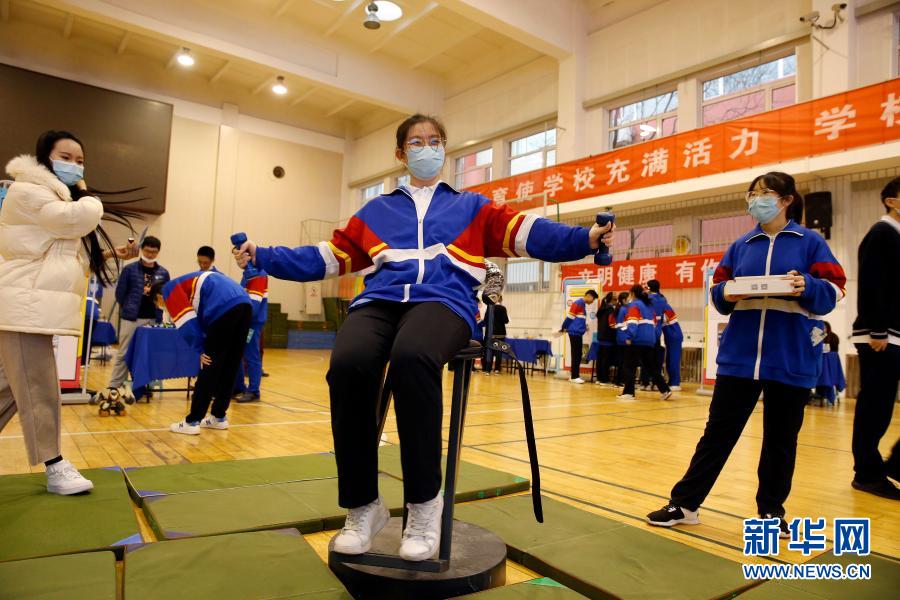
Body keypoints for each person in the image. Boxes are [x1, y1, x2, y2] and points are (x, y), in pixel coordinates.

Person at [233, 113, 614, 562]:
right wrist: (264, 256)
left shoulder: (472, 207)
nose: (427, 148)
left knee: (413, 356)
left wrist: (584, 238)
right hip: (380, 300)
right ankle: (363, 506)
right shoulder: (376, 211)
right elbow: (324, 259)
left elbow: (530, 233)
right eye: (417, 142)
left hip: (444, 301)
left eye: (435, 140)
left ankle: (424, 506)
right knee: (349, 363)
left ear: (444, 149)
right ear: (401, 154)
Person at [647, 171, 846, 535]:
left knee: (780, 439)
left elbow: (836, 289)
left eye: (765, 193)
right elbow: (719, 292)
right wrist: (727, 295)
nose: (757, 200)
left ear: (786, 200)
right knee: (717, 433)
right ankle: (686, 503)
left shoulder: (810, 242)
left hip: (791, 357)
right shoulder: (741, 246)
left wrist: (809, 285)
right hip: (739, 357)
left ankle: (771, 512)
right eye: (752, 193)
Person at [0, 130, 133, 495]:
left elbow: (62, 253)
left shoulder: (49, 196)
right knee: (40, 385)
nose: (75, 166)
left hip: (25, 304)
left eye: (80, 161)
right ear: (45, 158)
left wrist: (109, 255)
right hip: (24, 305)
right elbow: (75, 219)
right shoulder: (29, 190)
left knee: (10, 388)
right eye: (66, 157)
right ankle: (55, 465)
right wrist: (89, 195)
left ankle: (54, 462)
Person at [149, 272, 251, 434]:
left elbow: (187, 321)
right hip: (245, 304)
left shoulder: (169, 289)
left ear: (159, 295)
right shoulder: (186, 284)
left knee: (208, 364)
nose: (160, 307)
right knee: (231, 364)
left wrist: (201, 348)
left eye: (157, 303)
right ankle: (218, 416)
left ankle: (192, 420)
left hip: (224, 308)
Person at [850, 177, 900, 500]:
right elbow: (872, 284)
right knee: (876, 407)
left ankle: (896, 464)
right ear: (891, 201)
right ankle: (867, 473)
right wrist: (878, 330)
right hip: (880, 336)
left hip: (894, 335)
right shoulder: (881, 233)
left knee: (880, 406)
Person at [96, 235, 170, 402]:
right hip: (131, 318)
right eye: (148, 251)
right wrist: (128, 307)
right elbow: (120, 294)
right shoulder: (129, 270)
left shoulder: (163, 273)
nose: (150, 254)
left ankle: (141, 387)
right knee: (123, 353)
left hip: (153, 319)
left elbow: (165, 296)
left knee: (146, 354)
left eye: (154, 252)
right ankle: (114, 386)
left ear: (158, 252)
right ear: (142, 250)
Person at [616, 285, 672, 401]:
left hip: (637, 340)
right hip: (649, 341)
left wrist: (629, 336)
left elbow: (632, 323)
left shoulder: (634, 305)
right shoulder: (650, 307)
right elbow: (656, 324)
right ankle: (665, 390)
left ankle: (628, 393)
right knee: (651, 368)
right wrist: (653, 338)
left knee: (629, 366)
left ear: (632, 294)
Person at [234, 268, 269, 403]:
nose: (238, 260)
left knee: (251, 355)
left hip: (251, 324)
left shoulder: (259, 274)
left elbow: (253, 305)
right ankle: (239, 387)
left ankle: (254, 391)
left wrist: (240, 319)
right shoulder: (248, 274)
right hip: (244, 322)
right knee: (238, 354)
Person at [647, 280, 684, 391]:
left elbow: (657, 322)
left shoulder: (656, 301)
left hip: (673, 332)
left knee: (673, 359)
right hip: (669, 333)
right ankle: (672, 381)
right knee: (669, 359)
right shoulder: (660, 299)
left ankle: (675, 383)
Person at [560, 290, 598, 384]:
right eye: (593, 299)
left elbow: (577, 319)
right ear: (588, 296)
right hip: (574, 333)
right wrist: (564, 327)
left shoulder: (582, 305)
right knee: (576, 354)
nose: (592, 302)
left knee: (577, 354)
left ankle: (575, 375)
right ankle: (574, 376)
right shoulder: (578, 303)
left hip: (577, 332)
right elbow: (570, 317)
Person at [814, 321, 845, 406]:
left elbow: (834, 351)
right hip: (819, 361)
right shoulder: (818, 336)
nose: (823, 329)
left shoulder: (834, 337)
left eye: (825, 327)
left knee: (825, 373)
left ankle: (823, 392)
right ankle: (817, 394)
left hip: (829, 362)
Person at [478, 295, 508, 374]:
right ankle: (497, 369)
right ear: (500, 300)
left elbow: (485, 320)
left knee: (489, 351)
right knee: (499, 351)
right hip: (500, 333)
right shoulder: (502, 308)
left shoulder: (489, 308)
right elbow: (506, 320)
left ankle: (488, 370)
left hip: (490, 333)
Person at [593, 292, 617, 386]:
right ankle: (604, 379)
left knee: (600, 358)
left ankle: (599, 378)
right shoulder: (610, 310)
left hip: (601, 336)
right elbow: (611, 324)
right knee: (606, 359)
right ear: (612, 300)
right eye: (616, 299)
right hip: (608, 336)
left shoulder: (601, 309)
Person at [612, 291, 630, 387]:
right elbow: (622, 325)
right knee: (623, 361)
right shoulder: (623, 309)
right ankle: (620, 380)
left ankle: (619, 380)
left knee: (622, 360)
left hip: (621, 336)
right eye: (628, 298)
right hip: (623, 337)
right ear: (624, 300)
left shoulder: (622, 309)